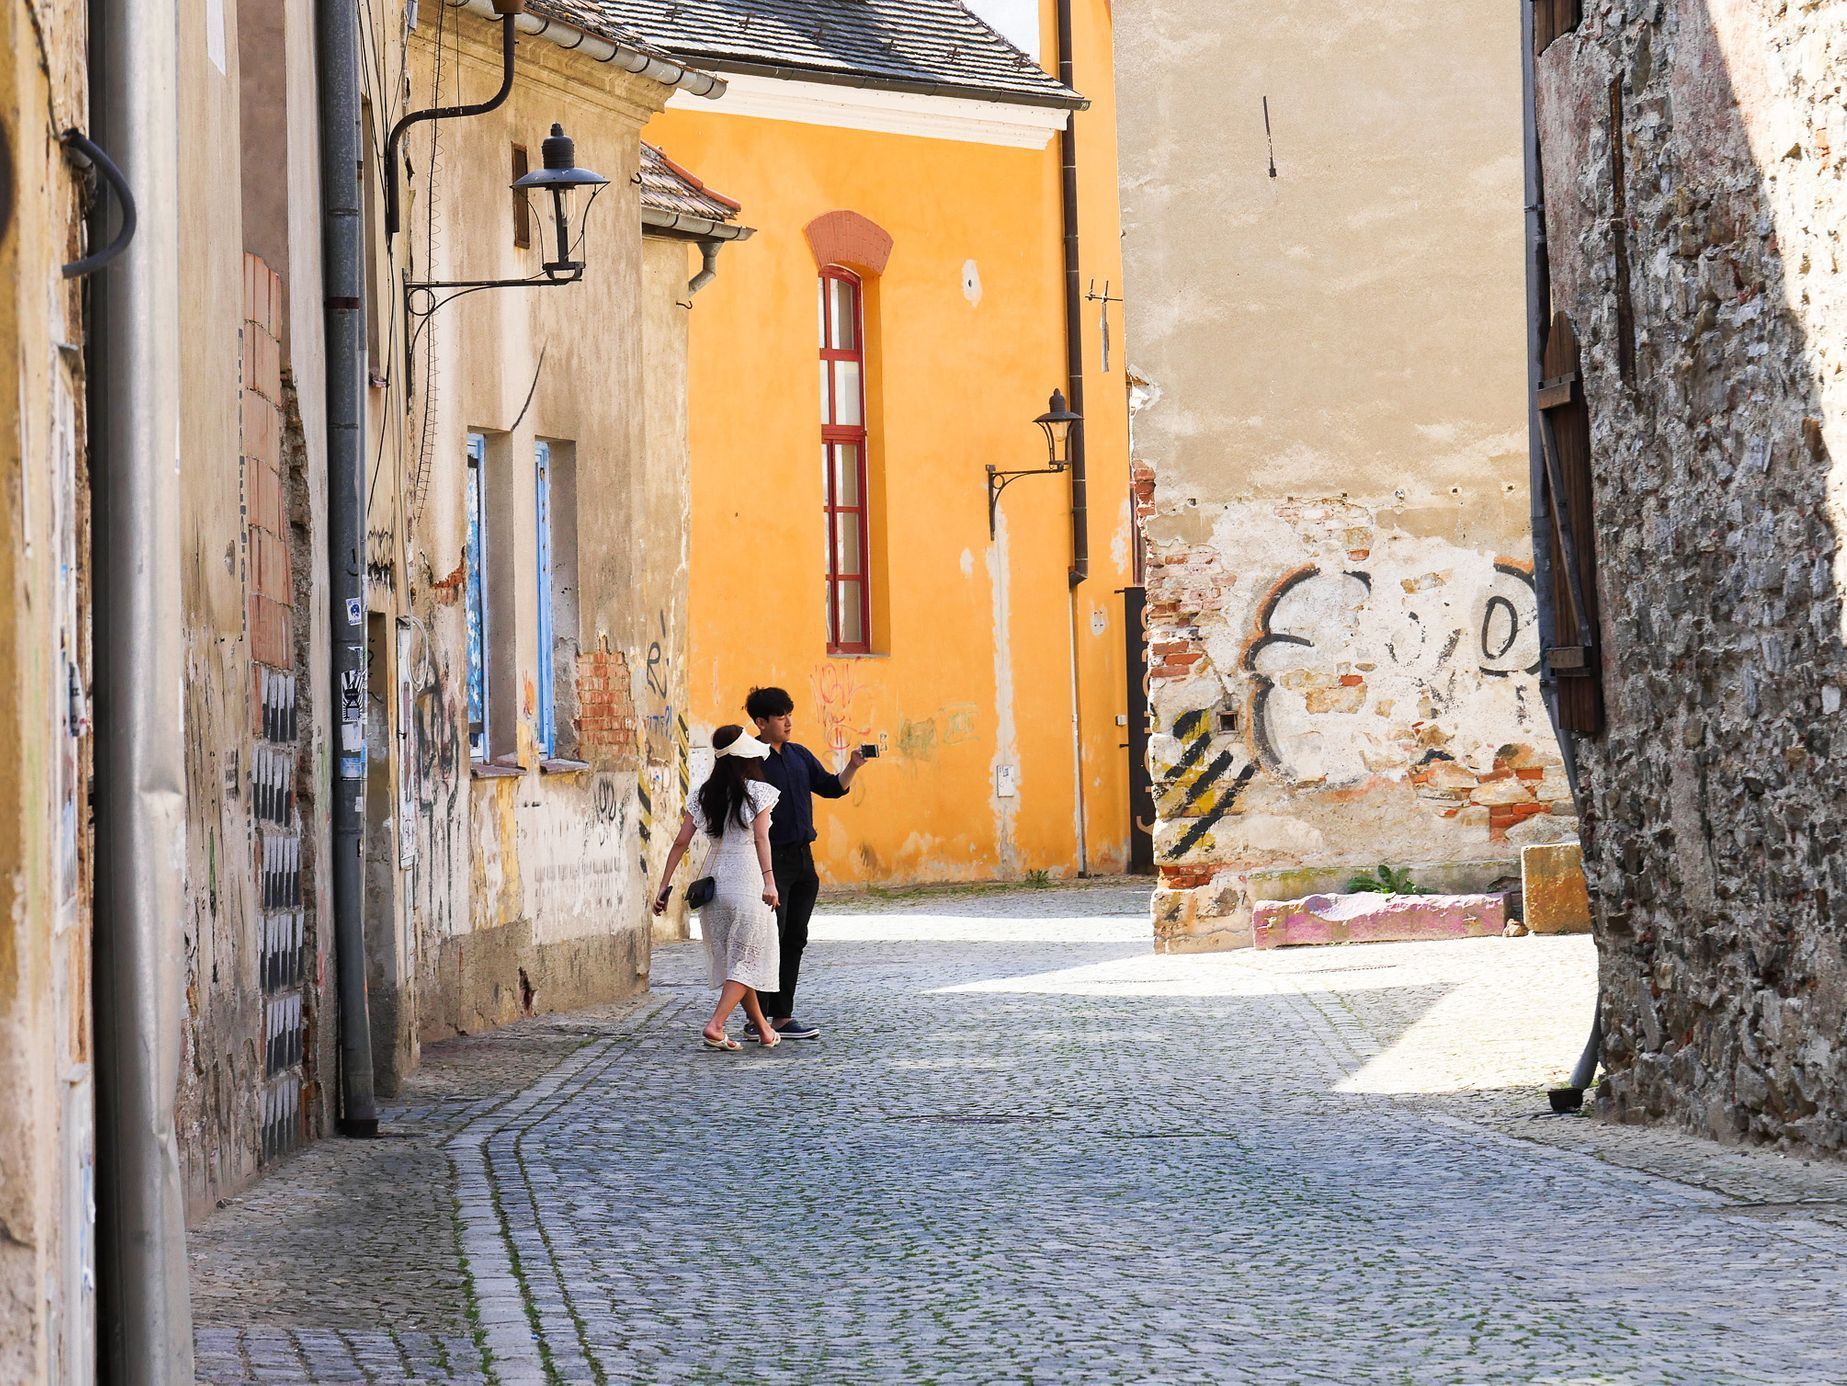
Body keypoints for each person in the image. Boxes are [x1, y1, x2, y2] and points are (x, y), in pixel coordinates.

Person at [743, 686, 868, 1041]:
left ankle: (782, 1016)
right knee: (770, 938)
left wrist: (853, 767)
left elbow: (831, 787)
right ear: (761, 722)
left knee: (795, 937)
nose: (788, 722)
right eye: (780, 716)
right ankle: (758, 1018)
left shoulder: (799, 755)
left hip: (802, 860)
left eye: (789, 714)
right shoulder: (750, 759)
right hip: (770, 861)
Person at [652, 724, 783, 1052]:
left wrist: (663, 886)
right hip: (748, 882)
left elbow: (681, 841)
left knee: (738, 961)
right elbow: (761, 838)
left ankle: (765, 1030)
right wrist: (770, 880)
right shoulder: (759, 792)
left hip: (714, 888)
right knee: (748, 959)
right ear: (745, 758)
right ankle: (716, 1024)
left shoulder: (702, 794)